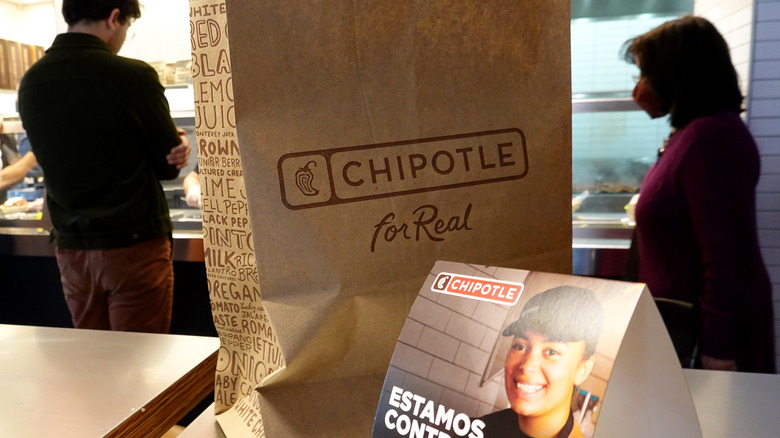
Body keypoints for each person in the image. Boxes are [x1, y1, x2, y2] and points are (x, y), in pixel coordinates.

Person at [17, 0, 191, 333]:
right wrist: (177, 148)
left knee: (92, 354)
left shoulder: (32, 82)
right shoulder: (134, 76)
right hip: (133, 248)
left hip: (72, 251)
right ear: (114, 18)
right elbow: (167, 166)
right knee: (140, 357)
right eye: (127, 26)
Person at [622, 16, 775, 373]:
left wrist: (718, 350)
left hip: (700, 337)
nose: (639, 87)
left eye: (645, 74)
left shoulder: (710, 138)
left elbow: (726, 255)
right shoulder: (691, 134)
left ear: (675, 74)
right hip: (676, 324)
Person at [478, 286, 604, 438]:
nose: (527, 365)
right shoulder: (471, 430)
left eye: (552, 351)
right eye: (520, 346)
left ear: (582, 369)